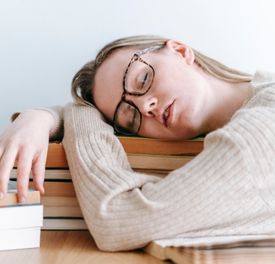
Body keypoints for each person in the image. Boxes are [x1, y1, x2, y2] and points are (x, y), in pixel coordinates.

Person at [1, 35, 275, 251]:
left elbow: (117, 220)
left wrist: (77, 111)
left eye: (143, 78)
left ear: (180, 51)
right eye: (129, 116)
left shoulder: (258, 130)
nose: (145, 107)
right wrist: (43, 116)